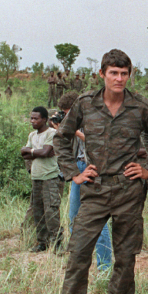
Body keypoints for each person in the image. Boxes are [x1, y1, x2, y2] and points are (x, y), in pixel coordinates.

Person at [46, 49, 148, 294]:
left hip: (128, 192)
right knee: (78, 253)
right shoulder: (86, 104)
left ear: (130, 74)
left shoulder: (140, 107)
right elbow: (62, 137)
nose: (119, 78)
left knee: (125, 256)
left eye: (124, 73)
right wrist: (73, 172)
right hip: (95, 190)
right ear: (102, 74)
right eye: (113, 73)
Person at [54, 92, 113, 271]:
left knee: (97, 219)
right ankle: (79, 261)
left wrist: (75, 131)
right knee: (74, 218)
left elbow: (99, 141)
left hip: (94, 168)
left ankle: (104, 265)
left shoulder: (96, 117)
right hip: (79, 168)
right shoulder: (72, 123)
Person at [21, 107, 63, 253]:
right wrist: (37, 152)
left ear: (44, 119)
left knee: (51, 210)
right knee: (38, 211)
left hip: (50, 177)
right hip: (36, 177)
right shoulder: (32, 135)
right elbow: (23, 153)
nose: (33, 121)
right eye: (31, 118)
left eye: (36, 118)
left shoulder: (51, 133)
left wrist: (32, 152)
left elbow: (45, 152)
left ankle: (57, 243)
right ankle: (42, 242)